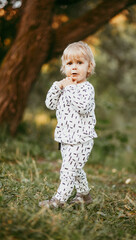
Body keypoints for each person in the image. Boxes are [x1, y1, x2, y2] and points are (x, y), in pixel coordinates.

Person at [39, 41, 97, 208]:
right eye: (70, 63)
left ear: (89, 67)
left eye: (79, 63)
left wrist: (69, 88)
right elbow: (50, 104)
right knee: (75, 170)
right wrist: (58, 86)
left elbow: (83, 107)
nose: (74, 68)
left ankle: (59, 200)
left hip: (81, 139)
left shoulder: (87, 88)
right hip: (65, 138)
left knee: (67, 171)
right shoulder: (64, 87)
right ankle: (85, 196)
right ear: (64, 68)